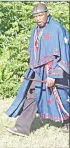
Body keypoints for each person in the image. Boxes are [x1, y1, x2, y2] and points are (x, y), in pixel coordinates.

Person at [6, 3, 70, 137]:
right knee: (32, 94)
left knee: (61, 97)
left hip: (55, 71)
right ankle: (22, 127)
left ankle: (68, 122)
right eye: (35, 16)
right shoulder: (35, 29)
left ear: (47, 13)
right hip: (39, 71)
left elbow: (64, 52)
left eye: (40, 15)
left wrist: (53, 75)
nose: (38, 18)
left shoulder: (56, 28)